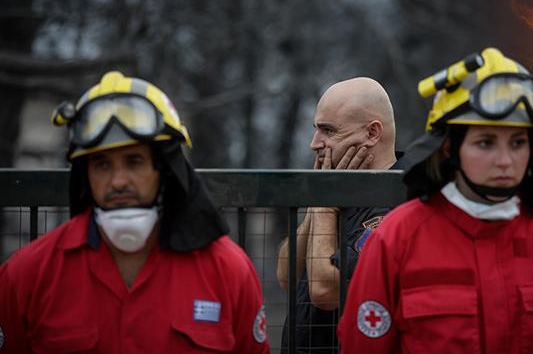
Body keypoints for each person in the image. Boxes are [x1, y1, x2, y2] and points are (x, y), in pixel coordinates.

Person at [0, 71, 268, 353]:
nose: (118, 181)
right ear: (85, 175)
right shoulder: (28, 274)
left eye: (134, 161)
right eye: (102, 164)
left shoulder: (228, 271)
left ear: (165, 169)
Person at [337, 48, 533, 353]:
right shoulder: (397, 237)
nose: (505, 160)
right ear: (447, 148)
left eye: (518, 142)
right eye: (485, 143)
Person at [276, 77, 400, 353]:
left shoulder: (397, 204)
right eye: (316, 129)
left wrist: (324, 206)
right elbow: (286, 276)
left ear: (372, 133)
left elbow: (325, 292)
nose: (314, 143)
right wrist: (319, 200)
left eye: (328, 130)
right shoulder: (336, 190)